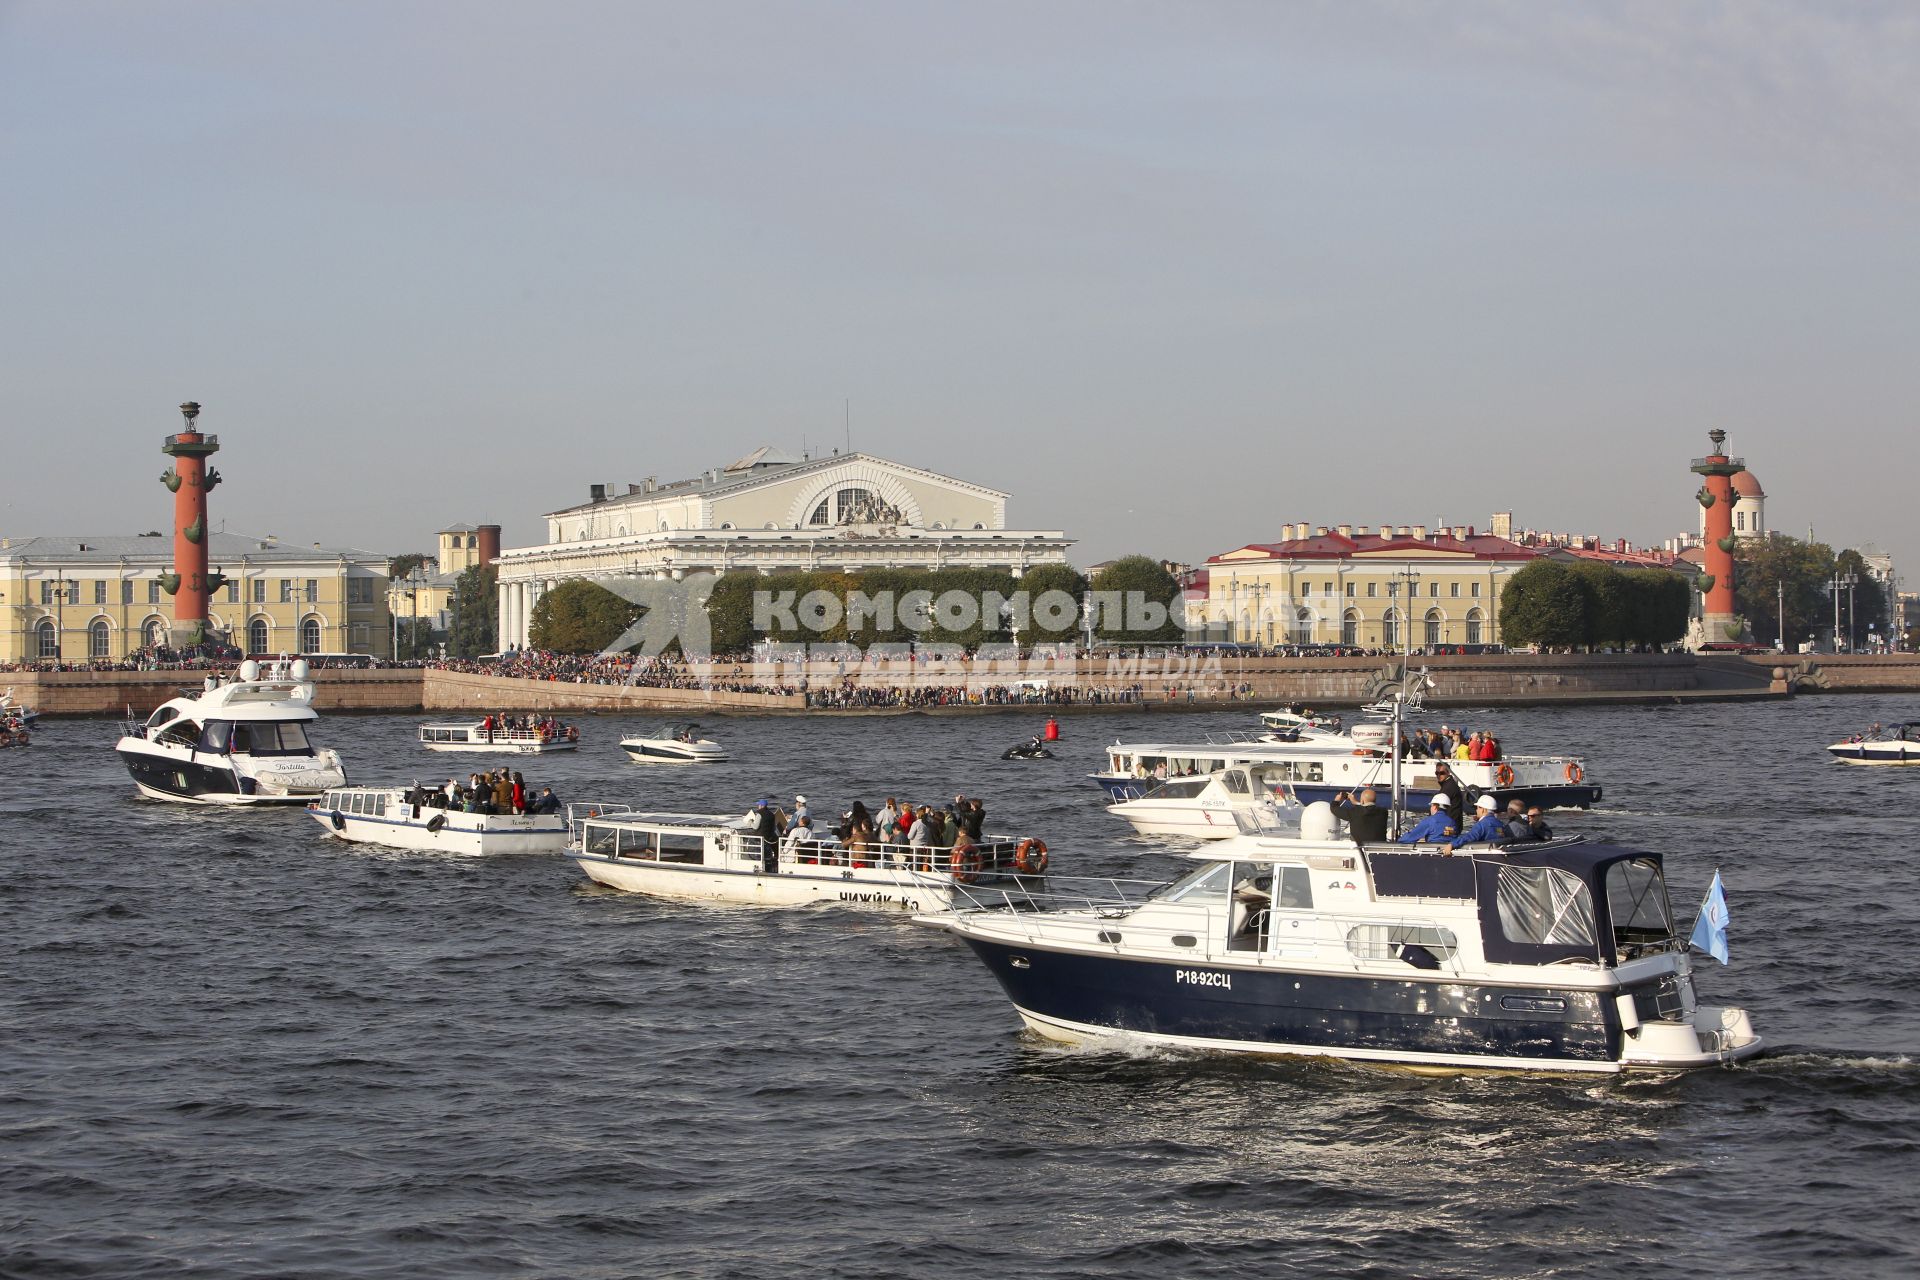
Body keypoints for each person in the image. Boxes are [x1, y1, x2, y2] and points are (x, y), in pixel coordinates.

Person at [752, 800, 779, 872]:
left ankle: (759, 869)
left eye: (758, 805)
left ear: (761, 806)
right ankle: (768, 869)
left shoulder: (759, 814)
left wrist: (750, 822)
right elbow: (774, 828)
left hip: (759, 838)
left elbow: (755, 827)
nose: (758, 806)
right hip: (769, 838)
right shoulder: (771, 814)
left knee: (759, 855)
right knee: (767, 855)